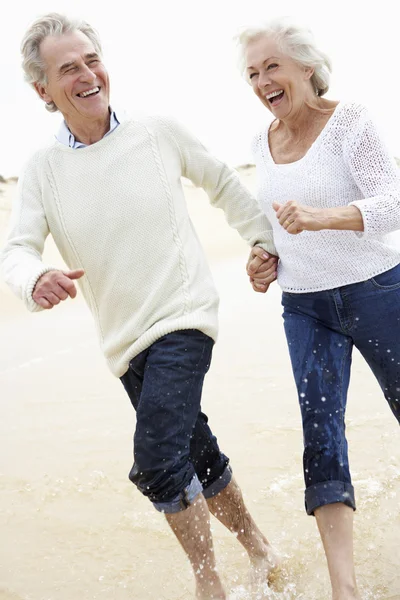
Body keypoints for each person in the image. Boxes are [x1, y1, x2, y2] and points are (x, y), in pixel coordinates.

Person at [1, 13, 280, 600]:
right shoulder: (44, 170)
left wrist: (262, 242)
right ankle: (259, 547)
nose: (86, 74)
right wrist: (35, 280)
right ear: (42, 90)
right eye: (67, 68)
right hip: (125, 343)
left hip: (184, 316)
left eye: (91, 59)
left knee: (155, 459)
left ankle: (210, 585)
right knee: (194, 448)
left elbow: (223, 183)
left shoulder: (156, 131)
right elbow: (17, 250)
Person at [238, 16, 400, 600]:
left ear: (307, 68)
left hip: (377, 289)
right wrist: (263, 256)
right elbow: (273, 226)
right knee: (321, 434)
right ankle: (344, 588)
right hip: (305, 306)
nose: (263, 81)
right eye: (253, 73)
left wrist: (319, 218)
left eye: (272, 66)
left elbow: (392, 203)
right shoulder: (261, 142)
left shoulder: (349, 121)